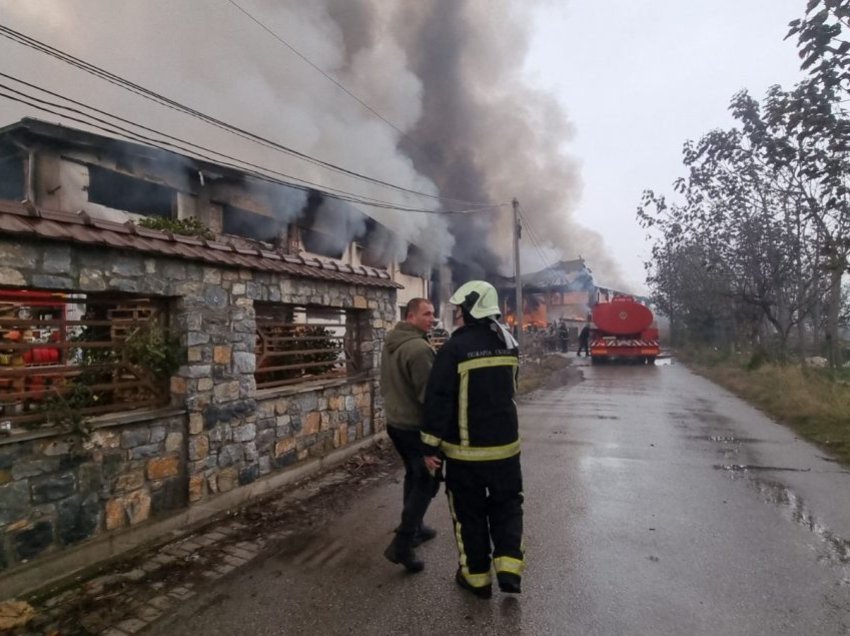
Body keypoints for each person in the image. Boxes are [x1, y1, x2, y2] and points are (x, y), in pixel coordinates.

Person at [421, 281, 525, 599]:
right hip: (506, 451)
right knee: (508, 507)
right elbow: (512, 390)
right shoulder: (508, 343)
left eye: (460, 308)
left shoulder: (454, 348)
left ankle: (477, 578)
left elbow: (438, 399)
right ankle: (509, 570)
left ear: (469, 308)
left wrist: (429, 445)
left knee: (470, 514)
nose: (458, 313)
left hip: (466, 456)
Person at [380, 298, 438, 573]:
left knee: (413, 475)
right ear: (411, 316)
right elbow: (430, 398)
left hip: (396, 423)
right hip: (415, 428)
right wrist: (436, 436)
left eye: (434, 314)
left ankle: (416, 527)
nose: (433, 319)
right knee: (426, 481)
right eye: (427, 314)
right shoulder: (418, 349)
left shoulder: (392, 341)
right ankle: (402, 545)